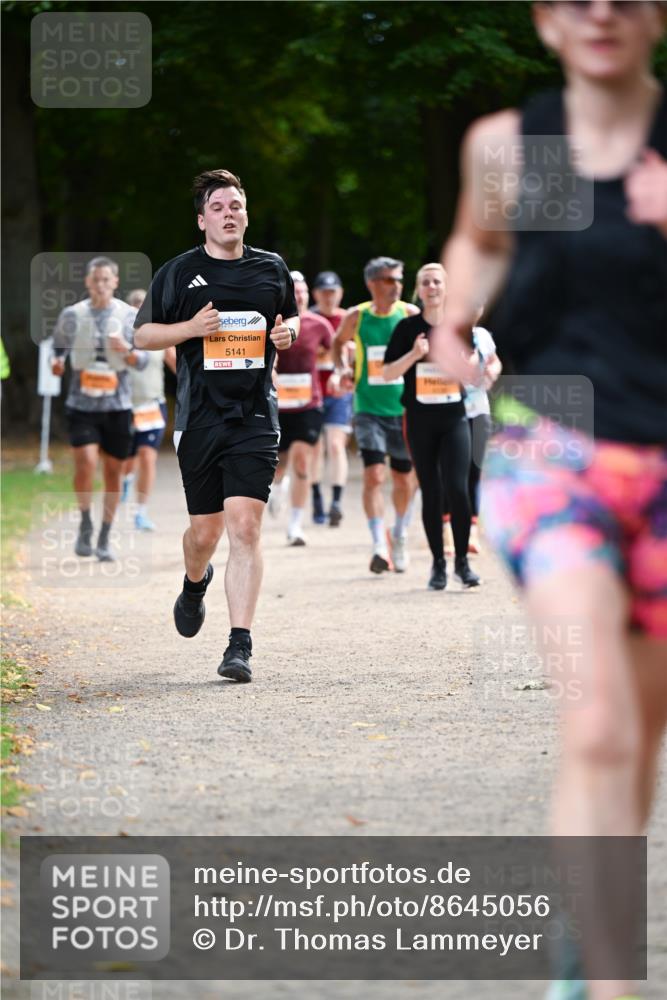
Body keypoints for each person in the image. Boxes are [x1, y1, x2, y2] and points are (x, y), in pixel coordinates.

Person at [431, 4, 667, 999]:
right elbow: (479, 242)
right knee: (598, 725)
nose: (601, 12)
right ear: (545, 21)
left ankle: (580, 941)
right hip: (550, 451)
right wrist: (453, 323)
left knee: (637, 738)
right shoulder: (517, 146)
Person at [134, 169, 299, 684]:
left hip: (253, 415)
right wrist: (190, 329)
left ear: (246, 214)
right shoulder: (179, 273)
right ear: (202, 219)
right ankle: (193, 580)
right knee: (204, 533)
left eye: (237, 206)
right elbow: (142, 336)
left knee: (245, 526)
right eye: (219, 207)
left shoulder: (271, 268)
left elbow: (288, 319)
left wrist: (286, 333)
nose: (230, 213)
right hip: (200, 418)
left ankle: (239, 645)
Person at [384, 263, 480, 590]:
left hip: (454, 417)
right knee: (432, 490)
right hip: (420, 419)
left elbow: (474, 375)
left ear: (446, 288)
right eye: (425, 282)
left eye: (437, 281)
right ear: (419, 290)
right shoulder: (407, 328)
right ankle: (438, 565)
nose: (432, 286)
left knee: (458, 488)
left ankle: (462, 564)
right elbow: (387, 373)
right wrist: (414, 354)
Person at [51, 256, 148, 561]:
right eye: (96, 280)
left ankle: (104, 536)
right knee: (86, 463)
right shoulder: (72, 314)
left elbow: (143, 361)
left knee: (113, 473)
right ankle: (85, 522)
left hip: (117, 406)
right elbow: (58, 349)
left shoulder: (130, 316)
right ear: (88, 283)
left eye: (107, 280)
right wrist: (57, 363)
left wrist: (127, 353)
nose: (101, 285)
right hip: (82, 405)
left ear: (115, 282)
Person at [332, 257, 419, 573]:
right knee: (374, 475)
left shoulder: (409, 314)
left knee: (403, 478)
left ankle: (400, 534)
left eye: (399, 279)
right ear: (372, 283)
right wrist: (342, 369)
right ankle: (379, 545)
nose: (396, 285)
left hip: (405, 409)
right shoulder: (357, 316)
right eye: (388, 280)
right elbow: (337, 343)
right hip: (367, 408)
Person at [271, 271, 333, 546]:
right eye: (294, 292)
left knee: (301, 461)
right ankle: (276, 488)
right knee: (278, 465)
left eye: (303, 291)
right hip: (278, 403)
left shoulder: (319, 325)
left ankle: (295, 525)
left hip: (309, 403)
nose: (300, 296)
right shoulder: (274, 323)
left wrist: (342, 369)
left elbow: (336, 352)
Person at [441, 304, 502, 555]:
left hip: (479, 408)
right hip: (450, 410)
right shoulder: (446, 335)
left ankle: (473, 529)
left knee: (475, 469)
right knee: (451, 471)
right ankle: (446, 527)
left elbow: (494, 361)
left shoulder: (484, 335)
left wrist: (492, 372)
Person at [120, 289, 177, 531]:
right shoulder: (120, 339)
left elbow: (179, 368)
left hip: (152, 405)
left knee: (147, 456)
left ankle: (141, 512)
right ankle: (126, 480)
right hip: (124, 407)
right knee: (126, 459)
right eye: (135, 307)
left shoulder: (159, 339)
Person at [309, 270, 352, 527]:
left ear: (340, 293)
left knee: (336, 446)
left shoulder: (348, 319)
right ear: (316, 294)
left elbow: (358, 352)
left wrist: (346, 354)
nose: (328, 297)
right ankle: (315, 497)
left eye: (332, 292)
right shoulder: (308, 319)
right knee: (316, 449)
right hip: (312, 391)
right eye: (324, 292)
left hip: (340, 391)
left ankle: (336, 501)